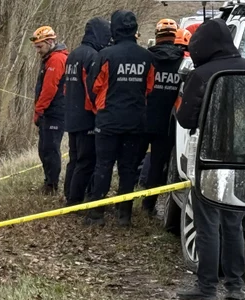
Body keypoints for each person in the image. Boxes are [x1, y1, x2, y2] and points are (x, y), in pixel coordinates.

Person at [175, 18, 245, 300]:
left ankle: (207, 287)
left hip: (209, 160)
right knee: (234, 223)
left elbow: (185, 119)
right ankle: (235, 287)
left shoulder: (202, 74)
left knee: (207, 224)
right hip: (243, 162)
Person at [84, 10, 155, 226]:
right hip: (135, 122)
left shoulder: (105, 55)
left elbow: (93, 87)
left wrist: (102, 109)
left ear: (114, 28)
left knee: (103, 166)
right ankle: (124, 215)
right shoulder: (147, 57)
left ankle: (96, 214)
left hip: (108, 121)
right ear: (134, 29)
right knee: (128, 168)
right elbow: (149, 88)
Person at [63, 18, 111, 206]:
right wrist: (98, 113)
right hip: (86, 116)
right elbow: (91, 89)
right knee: (86, 160)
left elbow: (67, 88)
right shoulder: (91, 56)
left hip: (72, 115)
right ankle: (74, 201)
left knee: (74, 159)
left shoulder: (73, 55)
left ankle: (69, 194)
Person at [140, 19, 186, 216]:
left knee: (130, 161)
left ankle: (122, 205)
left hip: (143, 119)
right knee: (157, 166)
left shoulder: (145, 58)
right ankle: (148, 207)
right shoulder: (184, 62)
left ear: (157, 36)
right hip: (168, 123)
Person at [31, 26, 69, 195]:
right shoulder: (49, 58)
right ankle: (48, 181)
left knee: (50, 149)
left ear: (50, 42)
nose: (38, 51)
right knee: (44, 148)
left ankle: (52, 185)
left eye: (40, 47)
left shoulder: (56, 60)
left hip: (55, 112)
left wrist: (39, 109)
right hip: (49, 111)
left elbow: (49, 89)